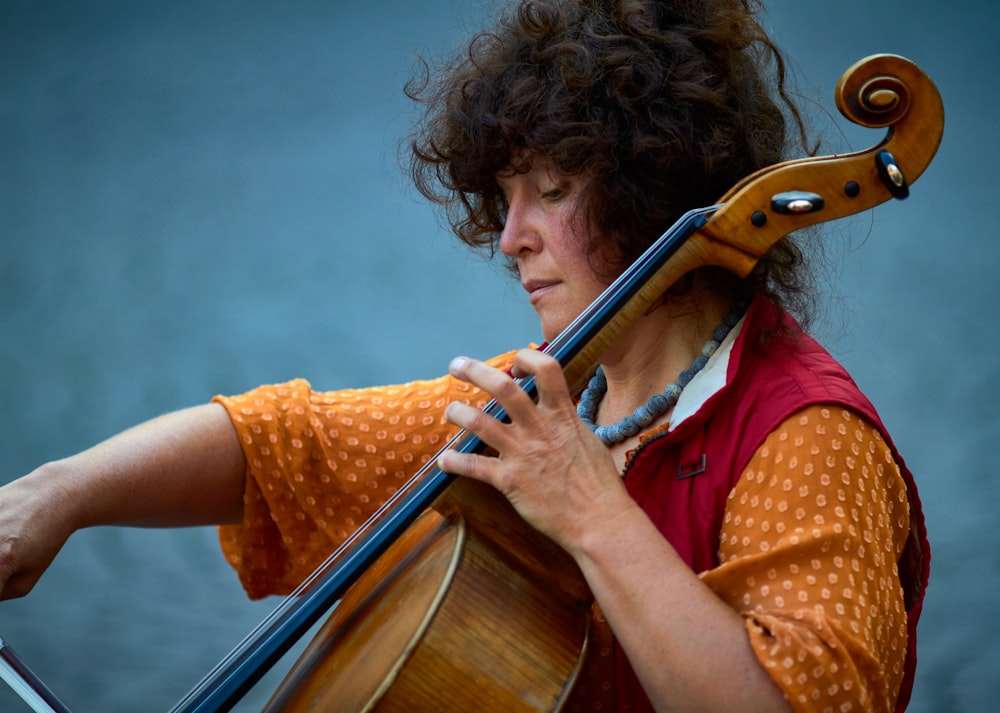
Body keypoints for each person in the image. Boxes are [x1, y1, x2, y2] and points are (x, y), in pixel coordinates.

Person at [0, 1, 928, 712]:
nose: (509, 237)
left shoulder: (804, 436)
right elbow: (289, 447)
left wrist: (589, 508)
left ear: (658, 189)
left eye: (552, 190)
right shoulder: (559, 388)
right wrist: (57, 495)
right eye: (505, 195)